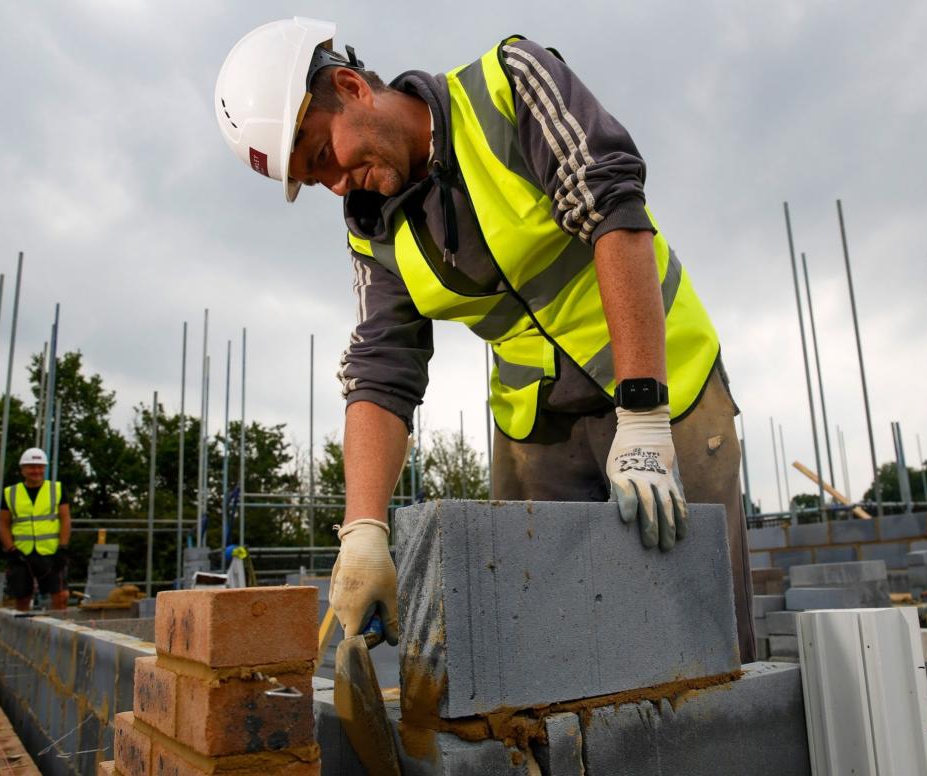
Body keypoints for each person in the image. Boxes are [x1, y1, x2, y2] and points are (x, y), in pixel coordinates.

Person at [214, 18, 755, 661]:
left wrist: (642, 412)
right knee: (539, 657)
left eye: (323, 155)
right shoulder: (372, 229)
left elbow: (613, 207)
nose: (335, 183)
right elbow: (381, 370)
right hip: (537, 427)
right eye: (313, 178)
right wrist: (362, 531)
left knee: (705, 641)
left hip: (663, 390)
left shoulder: (508, 87)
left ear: (351, 86)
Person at [0, 447, 71, 611]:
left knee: (61, 596)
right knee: (22, 599)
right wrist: (11, 549)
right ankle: (23, 633)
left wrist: (63, 547)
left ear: (45, 468)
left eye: (40, 467)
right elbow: (3, 523)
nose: (36, 471)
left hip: (51, 552)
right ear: (23, 469)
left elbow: (65, 519)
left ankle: (58, 633)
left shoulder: (56, 489)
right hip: (21, 554)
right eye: (31, 467)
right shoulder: (11, 492)